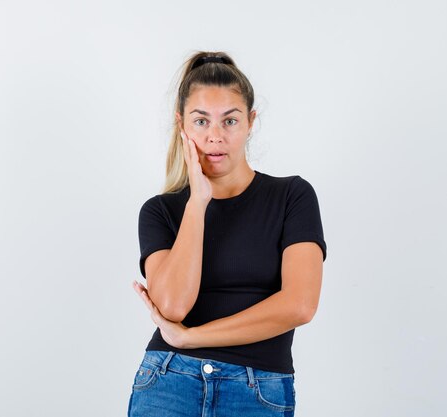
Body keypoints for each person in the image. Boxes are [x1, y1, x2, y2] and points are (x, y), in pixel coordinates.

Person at [128, 51, 327, 417]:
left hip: (258, 389)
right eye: (201, 121)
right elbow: (172, 306)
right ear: (181, 125)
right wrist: (198, 201)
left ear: (250, 121)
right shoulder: (160, 211)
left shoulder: (292, 197)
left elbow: (300, 305)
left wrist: (191, 337)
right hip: (169, 380)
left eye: (230, 121)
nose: (215, 136)